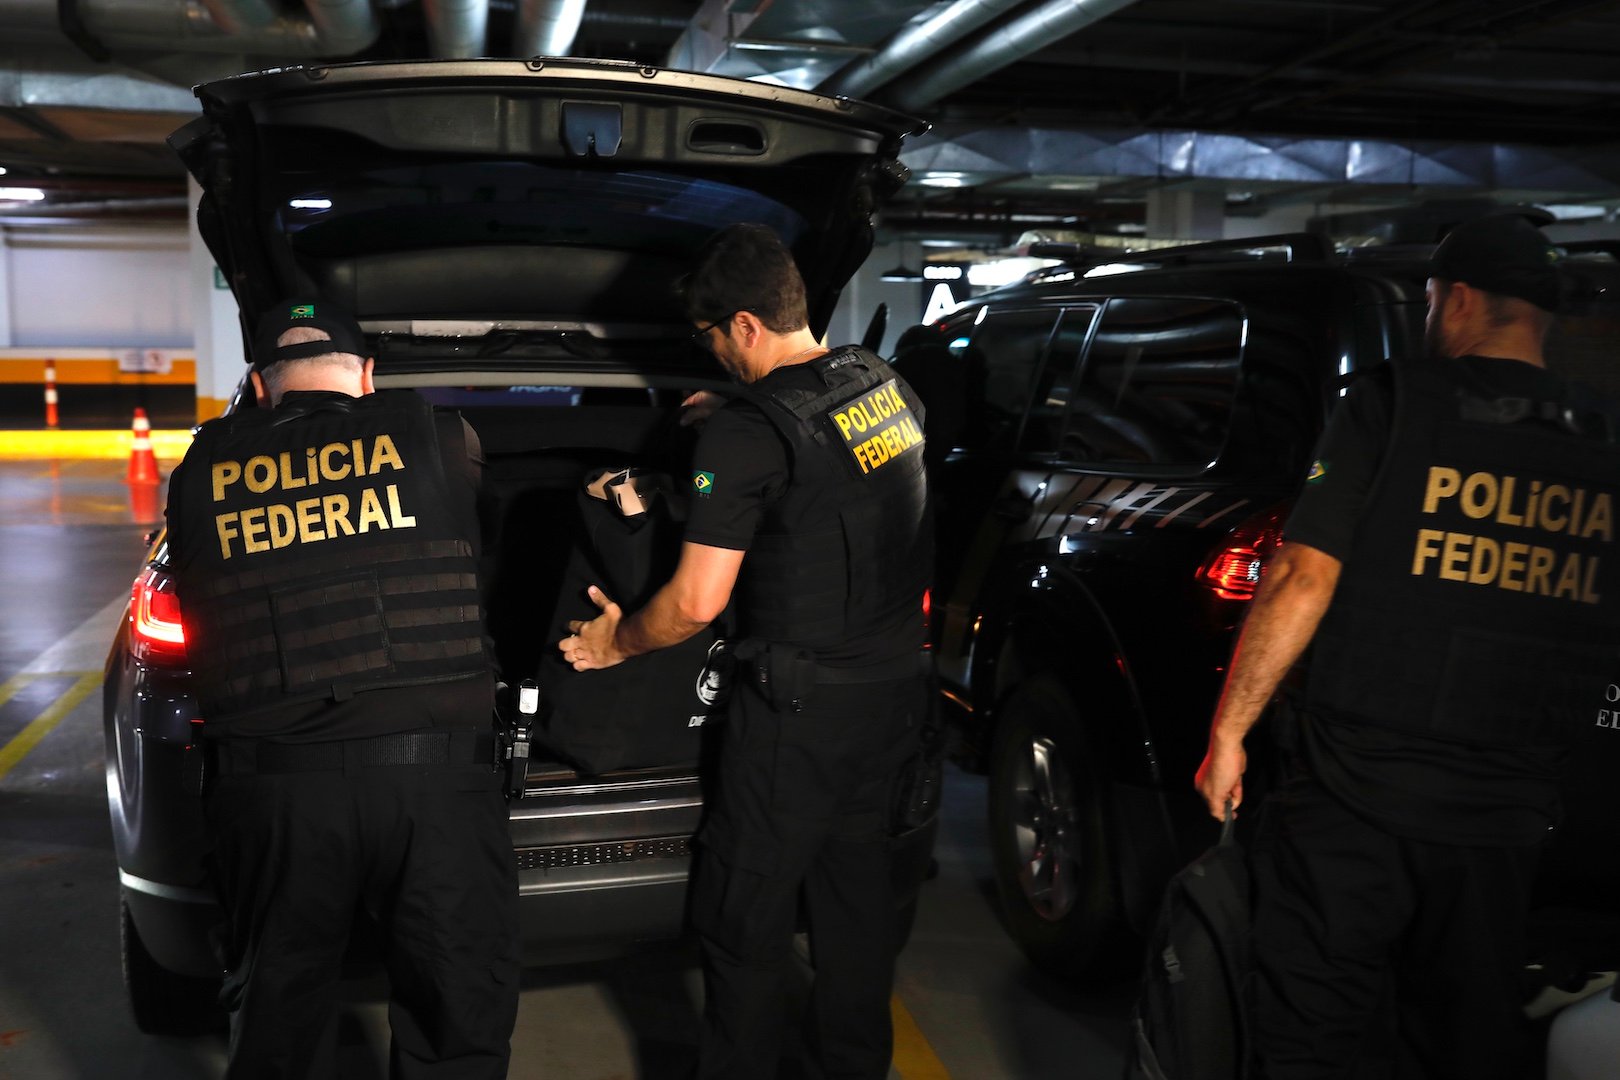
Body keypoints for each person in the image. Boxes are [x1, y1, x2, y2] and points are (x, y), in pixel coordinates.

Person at [1193, 214, 1620, 1079]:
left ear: (1457, 299)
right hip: (1507, 816)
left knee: (1310, 1028)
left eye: (1430, 300)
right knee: (1466, 1039)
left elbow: (1301, 579)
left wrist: (1229, 734)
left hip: (1359, 796)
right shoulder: (1604, 439)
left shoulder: (1391, 402)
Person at [558, 223, 933, 1079]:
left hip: (794, 722)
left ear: (747, 327)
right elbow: (832, 498)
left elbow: (694, 605)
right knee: (854, 915)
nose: (715, 357)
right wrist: (700, 465)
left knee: (744, 922)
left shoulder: (747, 435)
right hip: (891, 703)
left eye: (713, 338)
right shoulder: (887, 386)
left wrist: (617, 641)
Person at [165, 297, 519, 1079]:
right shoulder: (440, 438)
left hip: (275, 792)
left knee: (278, 1030)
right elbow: (478, 548)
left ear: (259, 386)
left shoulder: (197, 472)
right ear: (365, 372)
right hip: (436, 785)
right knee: (456, 1018)